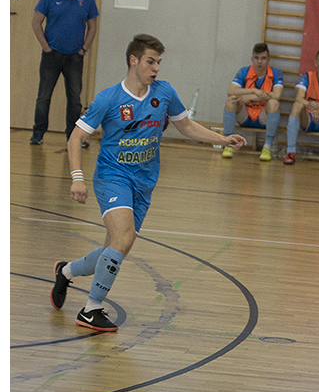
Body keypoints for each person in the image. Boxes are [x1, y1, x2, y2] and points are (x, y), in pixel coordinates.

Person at [49, 34, 246, 332]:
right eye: (150, 62)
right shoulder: (108, 98)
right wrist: (77, 178)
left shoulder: (164, 93)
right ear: (134, 60)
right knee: (123, 238)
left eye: (158, 63)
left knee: (115, 248)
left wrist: (222, 139)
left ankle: (65, 271)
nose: (156, 68)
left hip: (144, 183)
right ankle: (90, 309)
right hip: (112, 176)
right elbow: (76, 137)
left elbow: (186, 126)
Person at [30, 0, 99, 148]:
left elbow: (92, 27)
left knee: (75, 99)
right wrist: (45, 47)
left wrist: (84, 49)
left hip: (75, 57)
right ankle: (37, 134)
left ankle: (73, 137)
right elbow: (36, 22)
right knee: (44, 96)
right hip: (51, 56)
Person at [221, 42, 284, 161]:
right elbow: (231, 91)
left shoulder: (276, 73)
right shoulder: (244, 71)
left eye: (263, 58)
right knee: (231, 100)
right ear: (252, 59)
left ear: (268, 59)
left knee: (274, 103)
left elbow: (277, 95)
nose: (259, 62)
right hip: (245, 116)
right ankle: (228, 144)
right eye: (256, 58)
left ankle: (267, 147)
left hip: (263, 117)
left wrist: (251, 97)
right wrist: (254, 91)